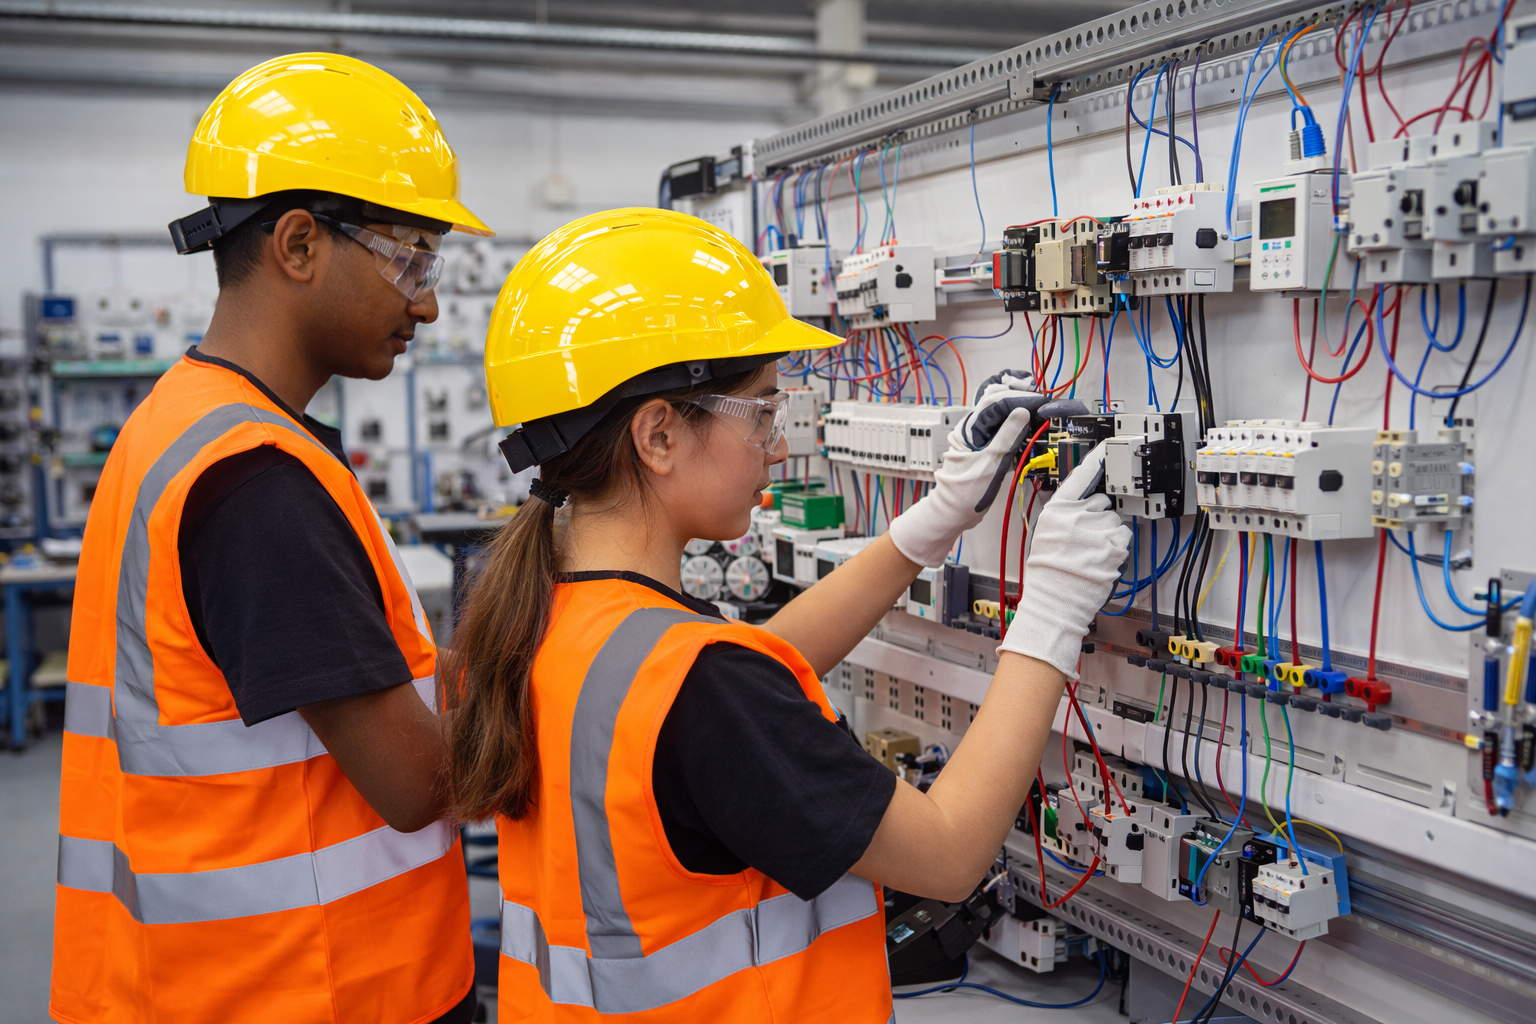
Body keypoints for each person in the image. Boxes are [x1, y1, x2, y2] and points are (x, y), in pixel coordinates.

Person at [444, 208, 1132, 1021]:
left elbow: (750, 669)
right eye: (762, 411)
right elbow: (947, 854)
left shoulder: (549, 617)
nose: (778, 444)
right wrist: (1051, 607)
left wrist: (931, 523)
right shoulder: (703, 684)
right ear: (658, 434)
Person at [51, 53, 492, 1024]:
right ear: (298, 244)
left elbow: (362, 676)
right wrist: (608, 710)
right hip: (305, 987)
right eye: (409, 260)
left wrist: (503, 665)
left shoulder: (191, 425)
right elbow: (418, 781)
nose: (425, 302)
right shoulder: (255, 484)